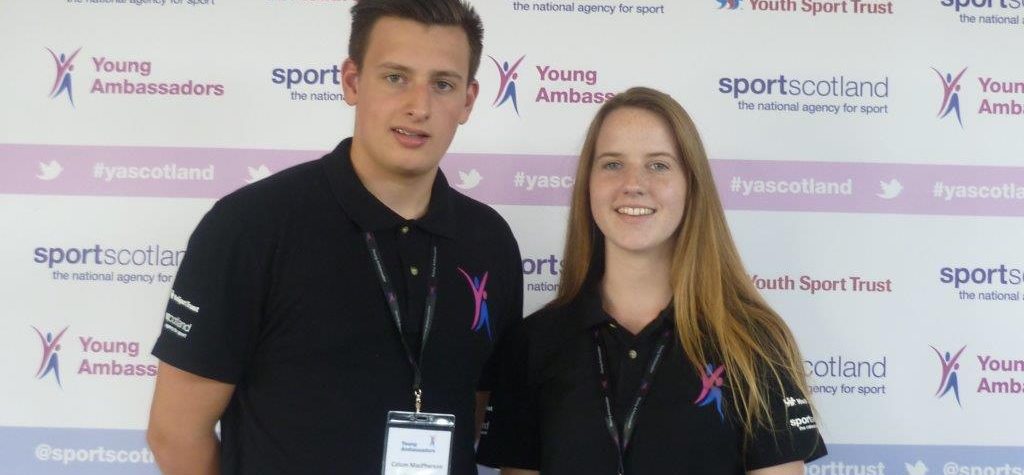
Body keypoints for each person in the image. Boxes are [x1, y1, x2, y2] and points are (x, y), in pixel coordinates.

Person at [146, 1, 523, 473]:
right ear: (352, 82)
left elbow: (474, 409)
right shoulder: (250, 225)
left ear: (467, 100)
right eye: (395, 77)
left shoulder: (489, 241)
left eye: (442, 84)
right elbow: (175, 435)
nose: (419, 107)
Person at [477, 87, 826, 474]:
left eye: (658, 165)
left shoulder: (752, 342)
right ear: (588, 184)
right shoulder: (533, 345)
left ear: (691, 184)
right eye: (612, 164)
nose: (633, 183)